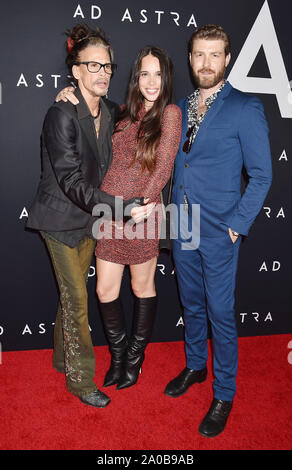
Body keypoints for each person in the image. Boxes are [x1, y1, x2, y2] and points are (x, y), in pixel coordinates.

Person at [26, 23, 146, 408]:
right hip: (60, 220)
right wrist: (121, 208)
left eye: (107, 67)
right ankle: (80, 381)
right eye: (93, 66)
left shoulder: (112, 111)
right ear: (75, 70)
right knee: (77, 300)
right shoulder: (59, 115)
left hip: (90, 220)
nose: (103, 74)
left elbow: (145, 119)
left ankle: (62, 359)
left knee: (70, 297)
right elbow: (71, 181)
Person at [164, 25, 272, 437]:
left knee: (221, 313)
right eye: (198, 55)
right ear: (190, 59)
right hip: (183, 225)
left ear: (227, 59)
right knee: (190, 303)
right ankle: (195, 366)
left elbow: (261, 175)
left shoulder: (245, 106)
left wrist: (237, 226)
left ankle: (224, 391)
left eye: (214, 55)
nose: (205, 63)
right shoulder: (180, 106)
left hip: (218, 229)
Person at [56, 45, 182, 390]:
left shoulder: (170, 113)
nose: (151, 81)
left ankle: (134, 360)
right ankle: (118, 355)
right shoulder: (123, 112)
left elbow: (165, 163)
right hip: (109, 213)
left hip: (143, 214)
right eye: (145, 73)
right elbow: (90, 110)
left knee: (143, 287)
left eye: (158, 74)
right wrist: (69, 92)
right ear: (136, 77)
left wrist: (146, 200)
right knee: (105, 289)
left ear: (166, 77)